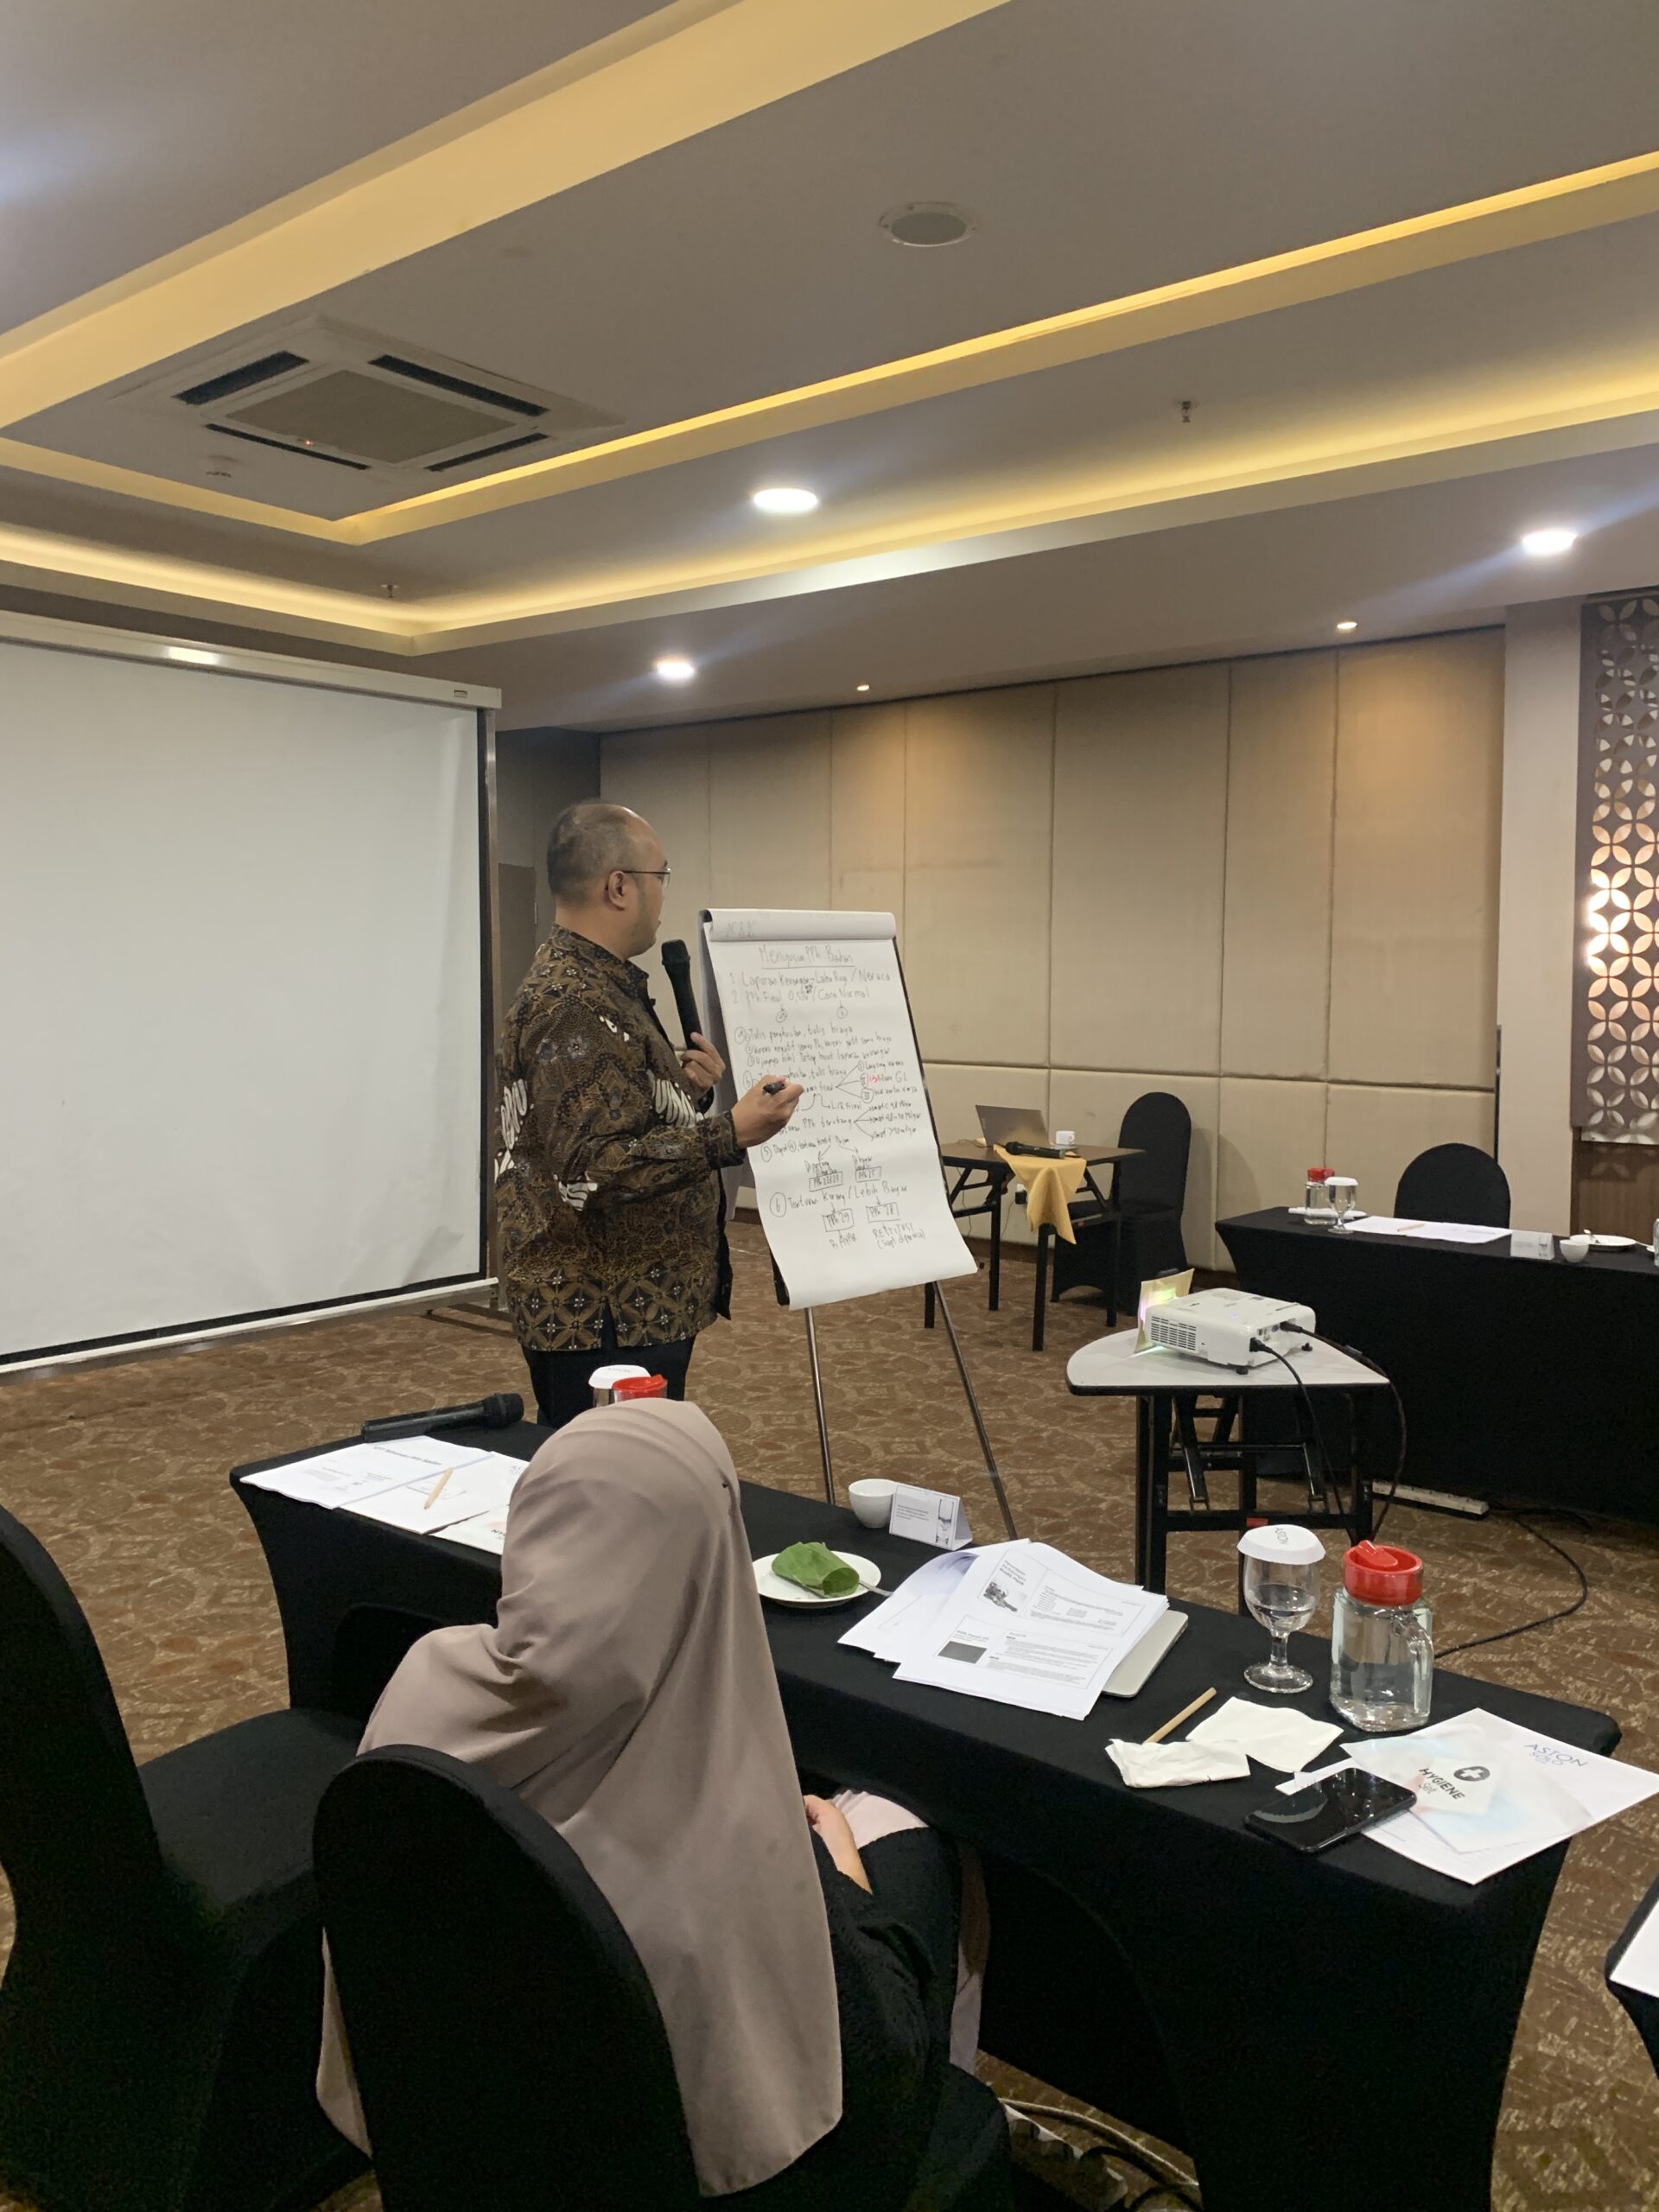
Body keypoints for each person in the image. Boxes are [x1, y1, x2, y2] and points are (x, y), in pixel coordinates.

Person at [317, 1399, 990, 2209]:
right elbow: (864, 2062)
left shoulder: (421, 1685)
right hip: (736, 2175)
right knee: (907, 1837)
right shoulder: (725, 1820)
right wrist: (843, 1879)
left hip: (469, 2134)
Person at [496, 801, 801, 1427]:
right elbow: (591, 1169)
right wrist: (727, 1133)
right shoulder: (571, 1001)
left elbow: (597, 1121)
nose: (664, 894)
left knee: (635, 1470)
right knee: (609, 1480)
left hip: (632, 1303)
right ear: (618, 887)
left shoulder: (601, 985)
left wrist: (683, 1093)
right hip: (601, 1315)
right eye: (661, 876)